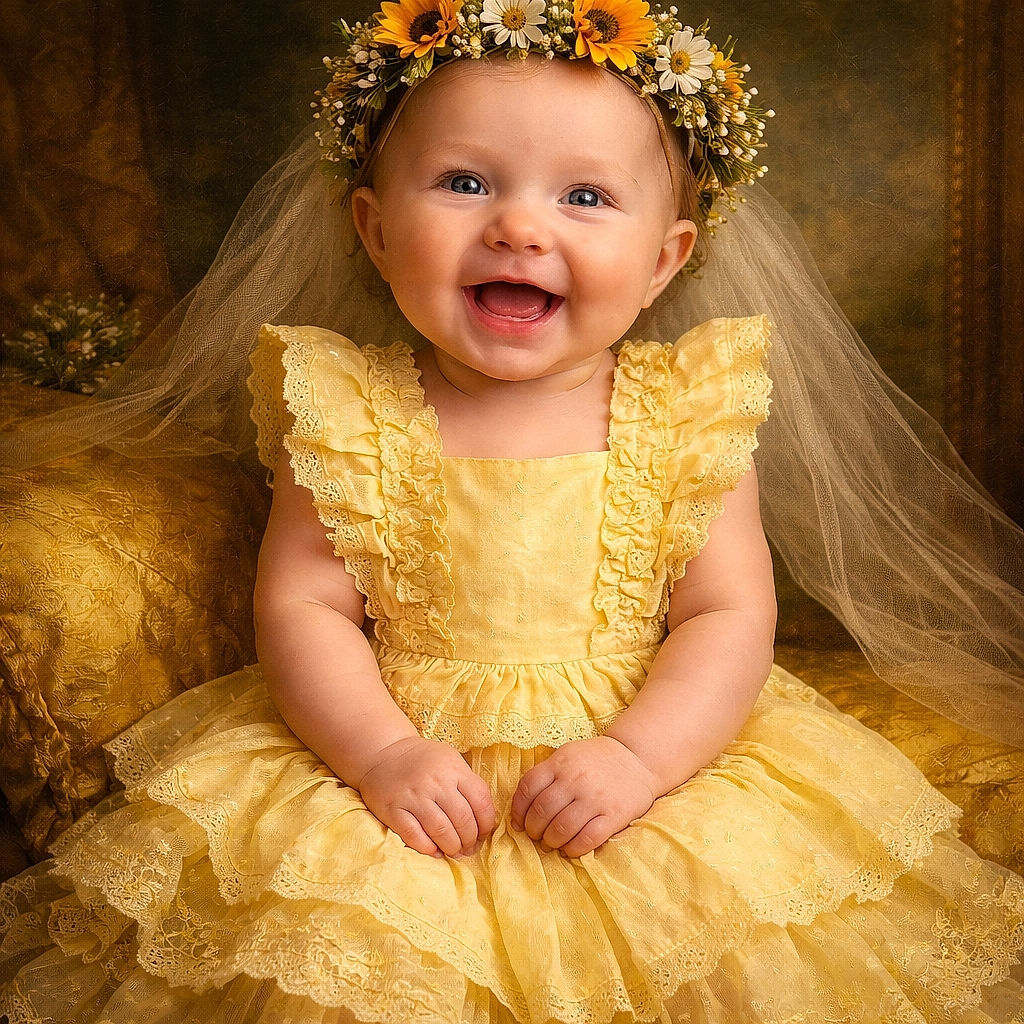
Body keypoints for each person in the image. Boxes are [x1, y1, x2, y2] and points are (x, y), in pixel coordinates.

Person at [1, 2, 1022, 1021]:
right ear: (373, 228)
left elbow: (728, 615)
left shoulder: (686, 414)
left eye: (583, 195)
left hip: (643, 752)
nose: (519, 226)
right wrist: (380, 753)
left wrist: (641, 757)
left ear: (664, 260)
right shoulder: (348, 410)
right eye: (465, 182)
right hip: (406, 754)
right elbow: (303, 608)